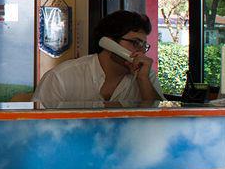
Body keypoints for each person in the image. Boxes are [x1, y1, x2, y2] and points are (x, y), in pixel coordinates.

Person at [32, 10, 163, 106]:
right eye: (135, 43)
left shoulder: (146, 77)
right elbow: (35, 125)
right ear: (108, 42)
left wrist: (143, 80)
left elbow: (159, 124)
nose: (141, 52)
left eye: (144, 46)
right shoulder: (60, 77)